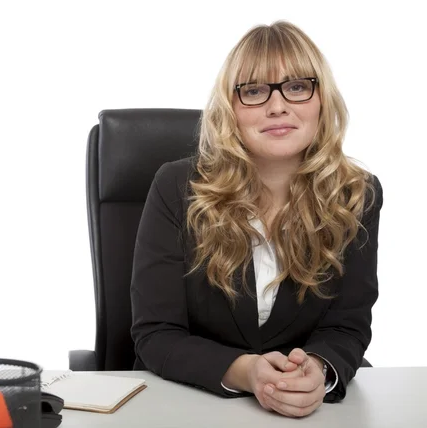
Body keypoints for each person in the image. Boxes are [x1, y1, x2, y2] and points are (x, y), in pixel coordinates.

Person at [130, 20, 383, 418]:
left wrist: (318, 370)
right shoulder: (177, 187)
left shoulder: (355, 193)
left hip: (310, 413)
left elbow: (348, 324)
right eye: (254, 91)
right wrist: (248, 372)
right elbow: (157, 333)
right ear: (230, 110)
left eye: (297, 87)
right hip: (189, 405)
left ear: (322, 100)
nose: (278, 105)